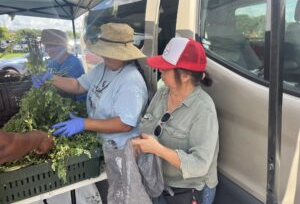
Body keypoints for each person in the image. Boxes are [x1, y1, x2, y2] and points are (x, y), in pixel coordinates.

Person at [31, 22, 149, 203]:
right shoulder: (104, 68)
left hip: (122, 151)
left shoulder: (130, 81)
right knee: (111, 192)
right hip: (105, 144)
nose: (105, 57)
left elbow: (125, 124)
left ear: (124, 56)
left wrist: (84, 123)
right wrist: (51, 78)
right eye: (104, 53)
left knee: (126, 194)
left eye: (110, 54)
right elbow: (78, 85)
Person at [132, 37, 219, 204]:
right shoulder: (162, 93)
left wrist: (157, 149)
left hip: (188, 191)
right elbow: (147, 125)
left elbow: (200, 165)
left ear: (185, 76)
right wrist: (138, 143)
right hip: (159, 183)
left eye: (165, 69)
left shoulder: (203, 110)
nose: (160, 72)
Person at [40, 29, 86, 100]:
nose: (46, 50)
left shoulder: (73, 63)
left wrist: (46, 80)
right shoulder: (53, 62)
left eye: (48, 46)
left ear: (61, 47)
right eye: (45, 46)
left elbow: (64, 90)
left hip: (75, 104)